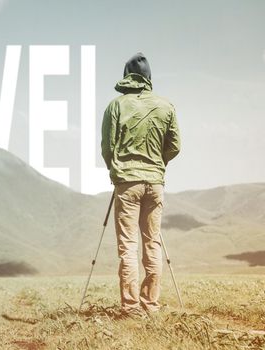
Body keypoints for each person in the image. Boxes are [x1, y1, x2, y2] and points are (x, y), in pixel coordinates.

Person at [101, 52, 181, 318]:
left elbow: (107, 147)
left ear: (126, 77)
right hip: (155, 183)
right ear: (149, 79)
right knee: (152, 243)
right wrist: (157, 164)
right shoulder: (166, 106)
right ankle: (151, 305)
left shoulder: (116, 106)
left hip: (127, 183)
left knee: (128, 246)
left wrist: (116, 171)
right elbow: (175, 146)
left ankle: (132, 309)